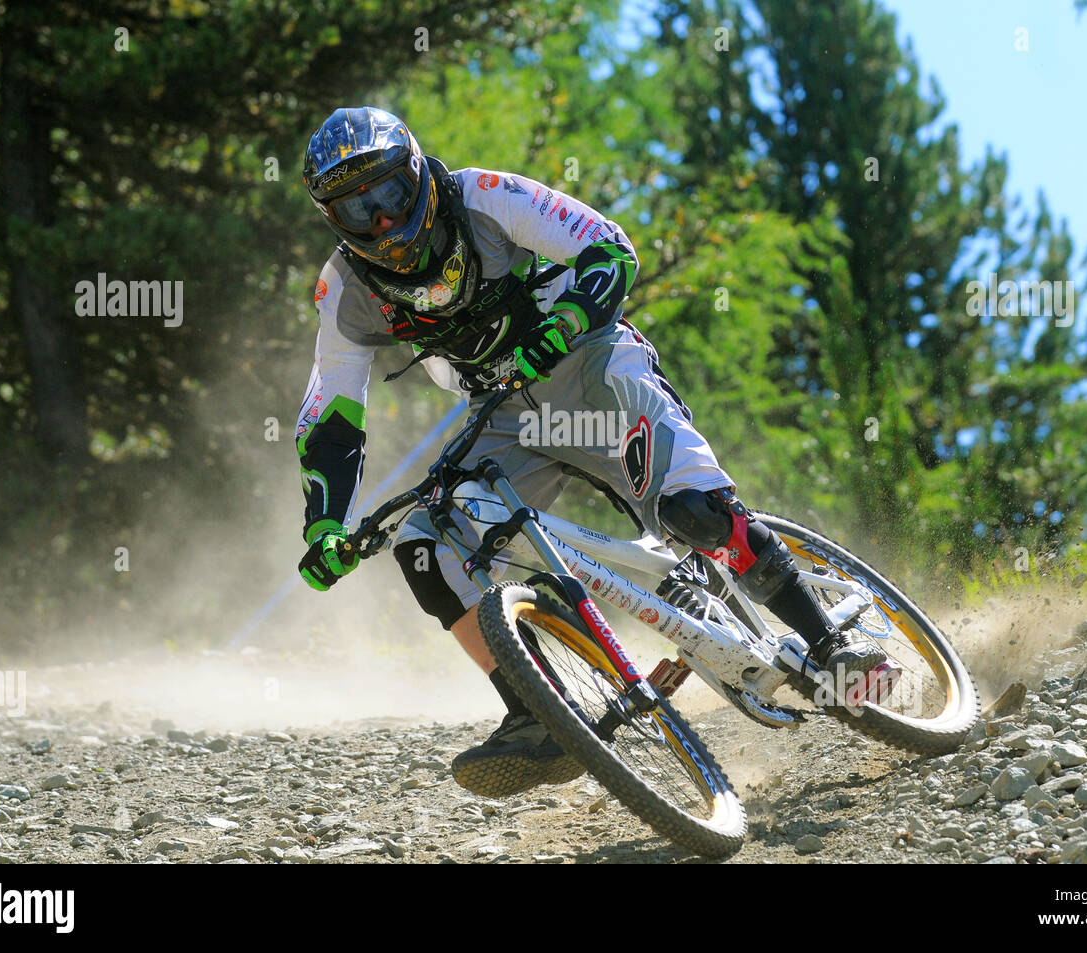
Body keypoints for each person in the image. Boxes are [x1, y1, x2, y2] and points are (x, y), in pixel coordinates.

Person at [294, 106, 883, 798]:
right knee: (425, 544)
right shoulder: (345, 287)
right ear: (335, 221)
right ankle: (541, 712)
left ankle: (829, 642)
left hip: (592, 362)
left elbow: (610, 248)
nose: (384, 224)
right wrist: (325, 524)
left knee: (691, 509)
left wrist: (569, 318)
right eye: (357, 211)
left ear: (418, 174)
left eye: (389, 194)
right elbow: (331, 412)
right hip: (505, 415)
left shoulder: (485, 196)